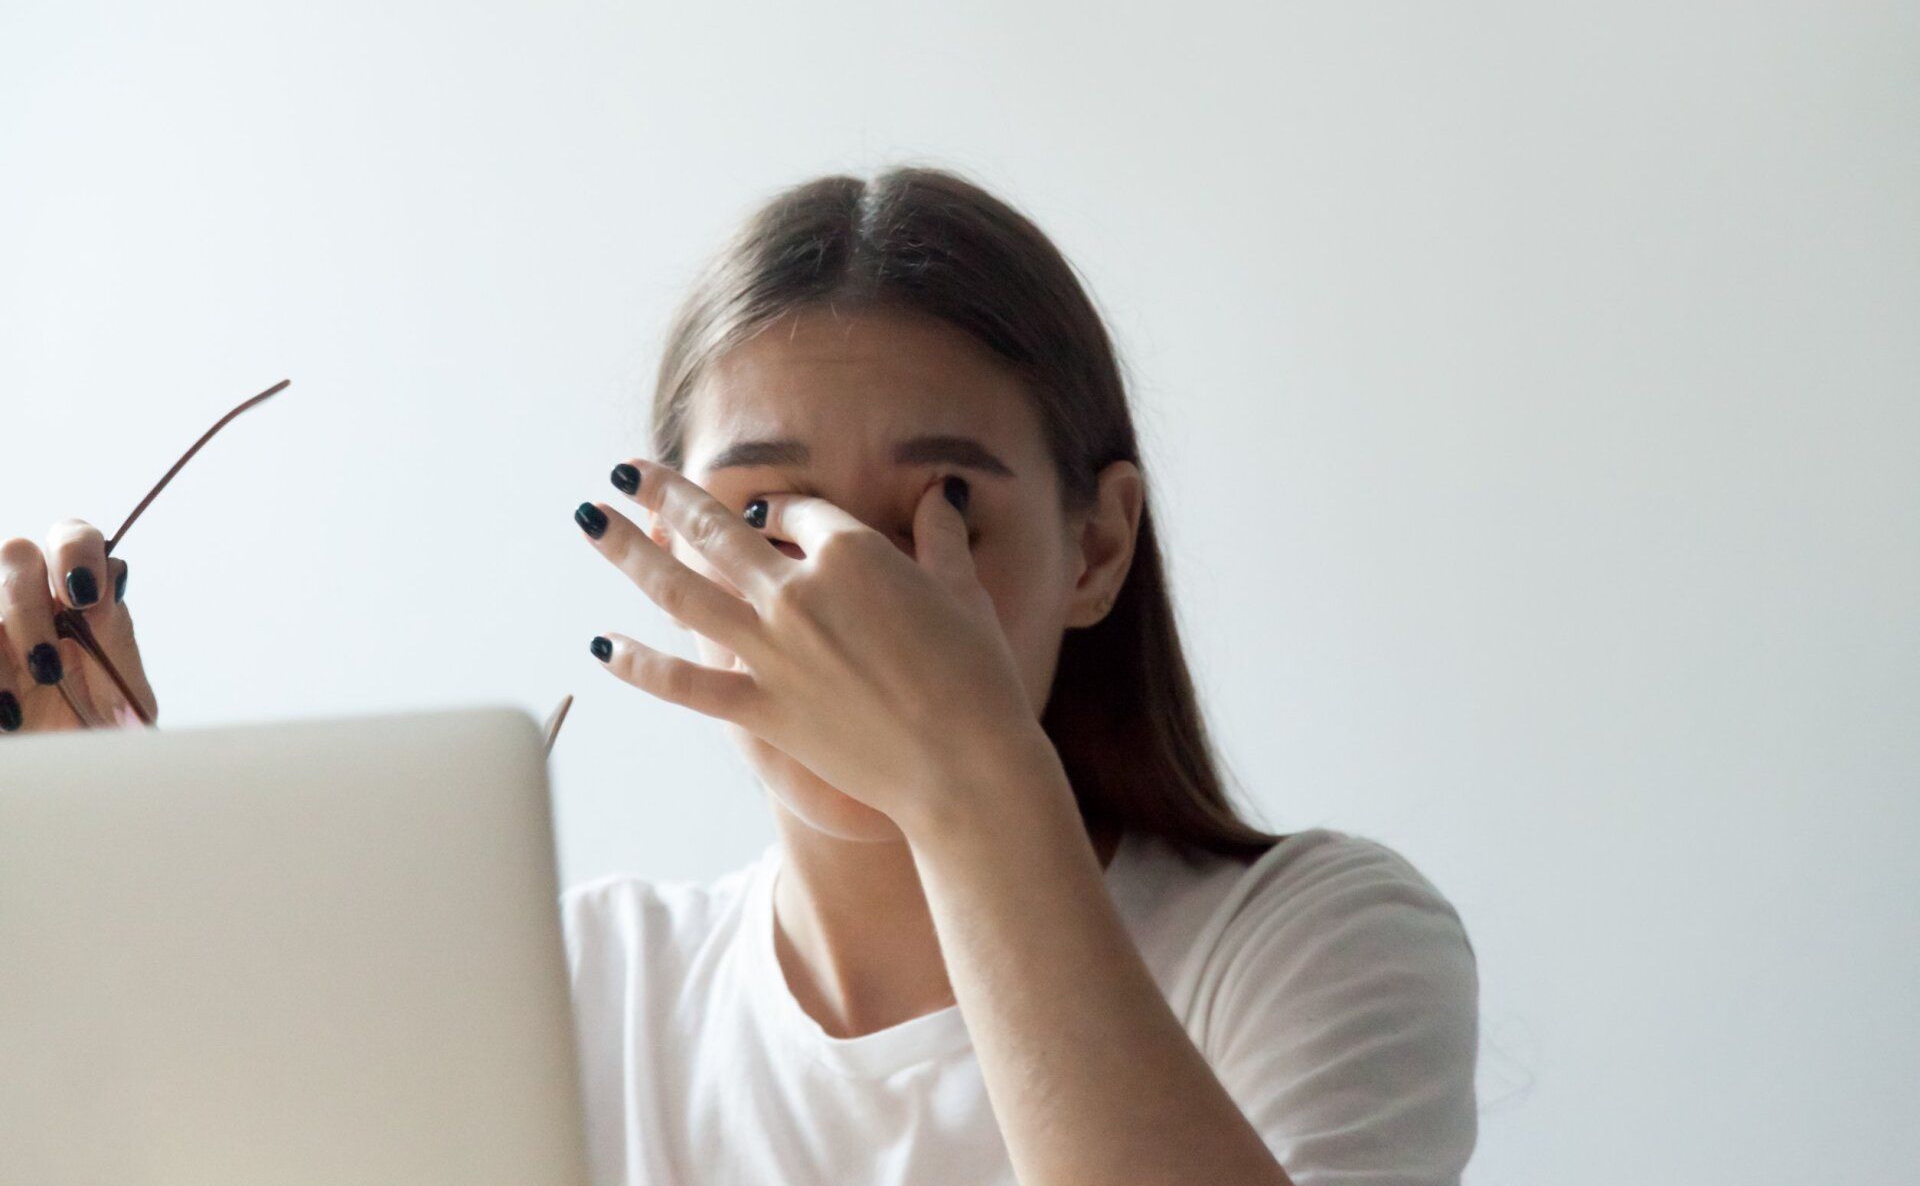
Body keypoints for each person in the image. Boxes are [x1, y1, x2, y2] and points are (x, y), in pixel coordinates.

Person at [0, 165, 1480, 1186]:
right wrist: (99, 867)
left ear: (1097, 548)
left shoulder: (1307, 949)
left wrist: (965, 779)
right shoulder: (563, 992)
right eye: (757, 513)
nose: (837, 581)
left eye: (943, 505)